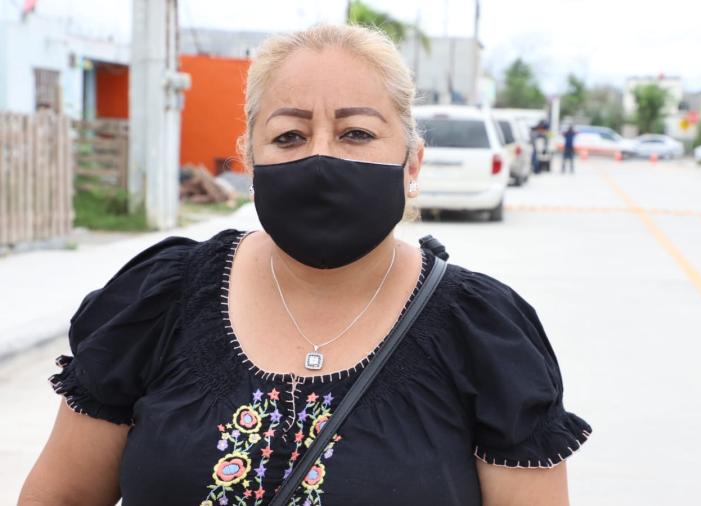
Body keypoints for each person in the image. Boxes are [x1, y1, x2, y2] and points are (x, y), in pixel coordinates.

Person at [19, 25, 590, 506]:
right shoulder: (164, 298)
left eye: (357, 133)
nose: (321, 157)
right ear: (248, 157)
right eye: (289, 135)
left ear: (412, 161)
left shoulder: (483, 333)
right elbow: (59, 496)